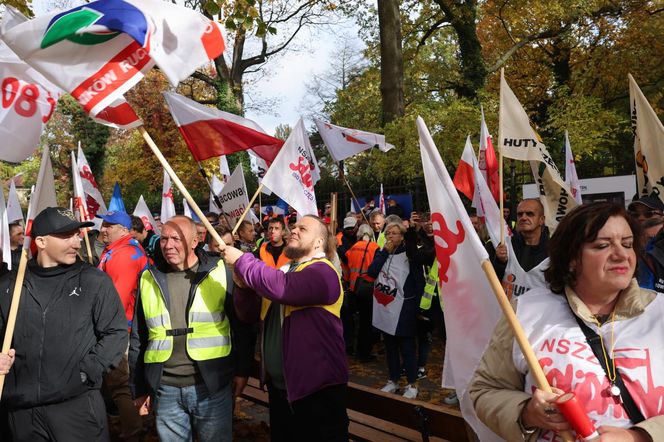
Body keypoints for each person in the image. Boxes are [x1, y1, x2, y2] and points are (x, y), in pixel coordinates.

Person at [470, 202, 664, 441]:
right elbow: (485, 390)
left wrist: (641, 436)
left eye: (627, 243)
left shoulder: (660, 313)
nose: (621, 254)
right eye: (602, 245)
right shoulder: (526, 311)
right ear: (571, 257)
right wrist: (527, 412)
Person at [0, 207, 127, 442]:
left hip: (77, 409)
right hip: (21, 412)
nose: (77, 243)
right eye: (67, 236)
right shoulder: (10, 286)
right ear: (41, 241)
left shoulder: (93, 281)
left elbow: (115, 332)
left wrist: (85, 372)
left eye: (77, 235)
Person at [224, 215, 349, 441]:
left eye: (303, 228)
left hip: (316, 392)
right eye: (294, 226)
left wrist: (243, 261)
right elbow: (249, 314)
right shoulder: (284, 271)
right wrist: (243, 287)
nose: (294, 230)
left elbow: (283, 289)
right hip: (282, 389)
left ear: (319, 242)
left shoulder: (324, 272)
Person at [129, 216, 253, 442]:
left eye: (176, 238)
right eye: (164, 238)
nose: (168, 245)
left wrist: (243, 370)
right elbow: (139, 336)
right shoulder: (148, 278)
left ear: (195, 241)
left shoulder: (220, 271)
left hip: (211, 385)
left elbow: (242, 326)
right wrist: (138, 387)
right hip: (165, 389)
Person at [368, 218, 435, 399]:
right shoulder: (382, 252)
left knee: (406, 347)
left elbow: (418, 281)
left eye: (394, 233)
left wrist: (418, 309)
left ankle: (412, 384)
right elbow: (372, 272)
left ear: (402, 237)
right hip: (385, 306)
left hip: (405, 307)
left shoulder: (410, 254)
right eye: (388, 233)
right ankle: (393, 380)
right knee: (390, 346)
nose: (390, 236)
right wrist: (383, 253)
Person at [97, 210, 149, 442]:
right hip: (120, 328)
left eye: (110, 224)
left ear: (124, 230)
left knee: (119, 384)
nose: (103, 228)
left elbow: (115, 300)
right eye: (103, 223)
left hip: (120, 330)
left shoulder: (123, 256)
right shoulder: (118, 251)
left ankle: (132, 431)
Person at [492, 199, 549, 298]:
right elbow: (493, 283)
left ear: (541, 219)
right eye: (520, 214)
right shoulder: (505, 245)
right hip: (508, 312)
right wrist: (500, 262)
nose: (523, 217)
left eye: (530, 214)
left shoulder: (554, 251)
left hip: (539, 313)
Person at [345, 224, 380, 362]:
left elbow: (347, 264)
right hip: (367, 290)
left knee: (353, 323)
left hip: (353, 289)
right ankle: (364, 353)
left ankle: (352, 348)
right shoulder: (375, 248)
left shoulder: (353, 247)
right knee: (366, 323)